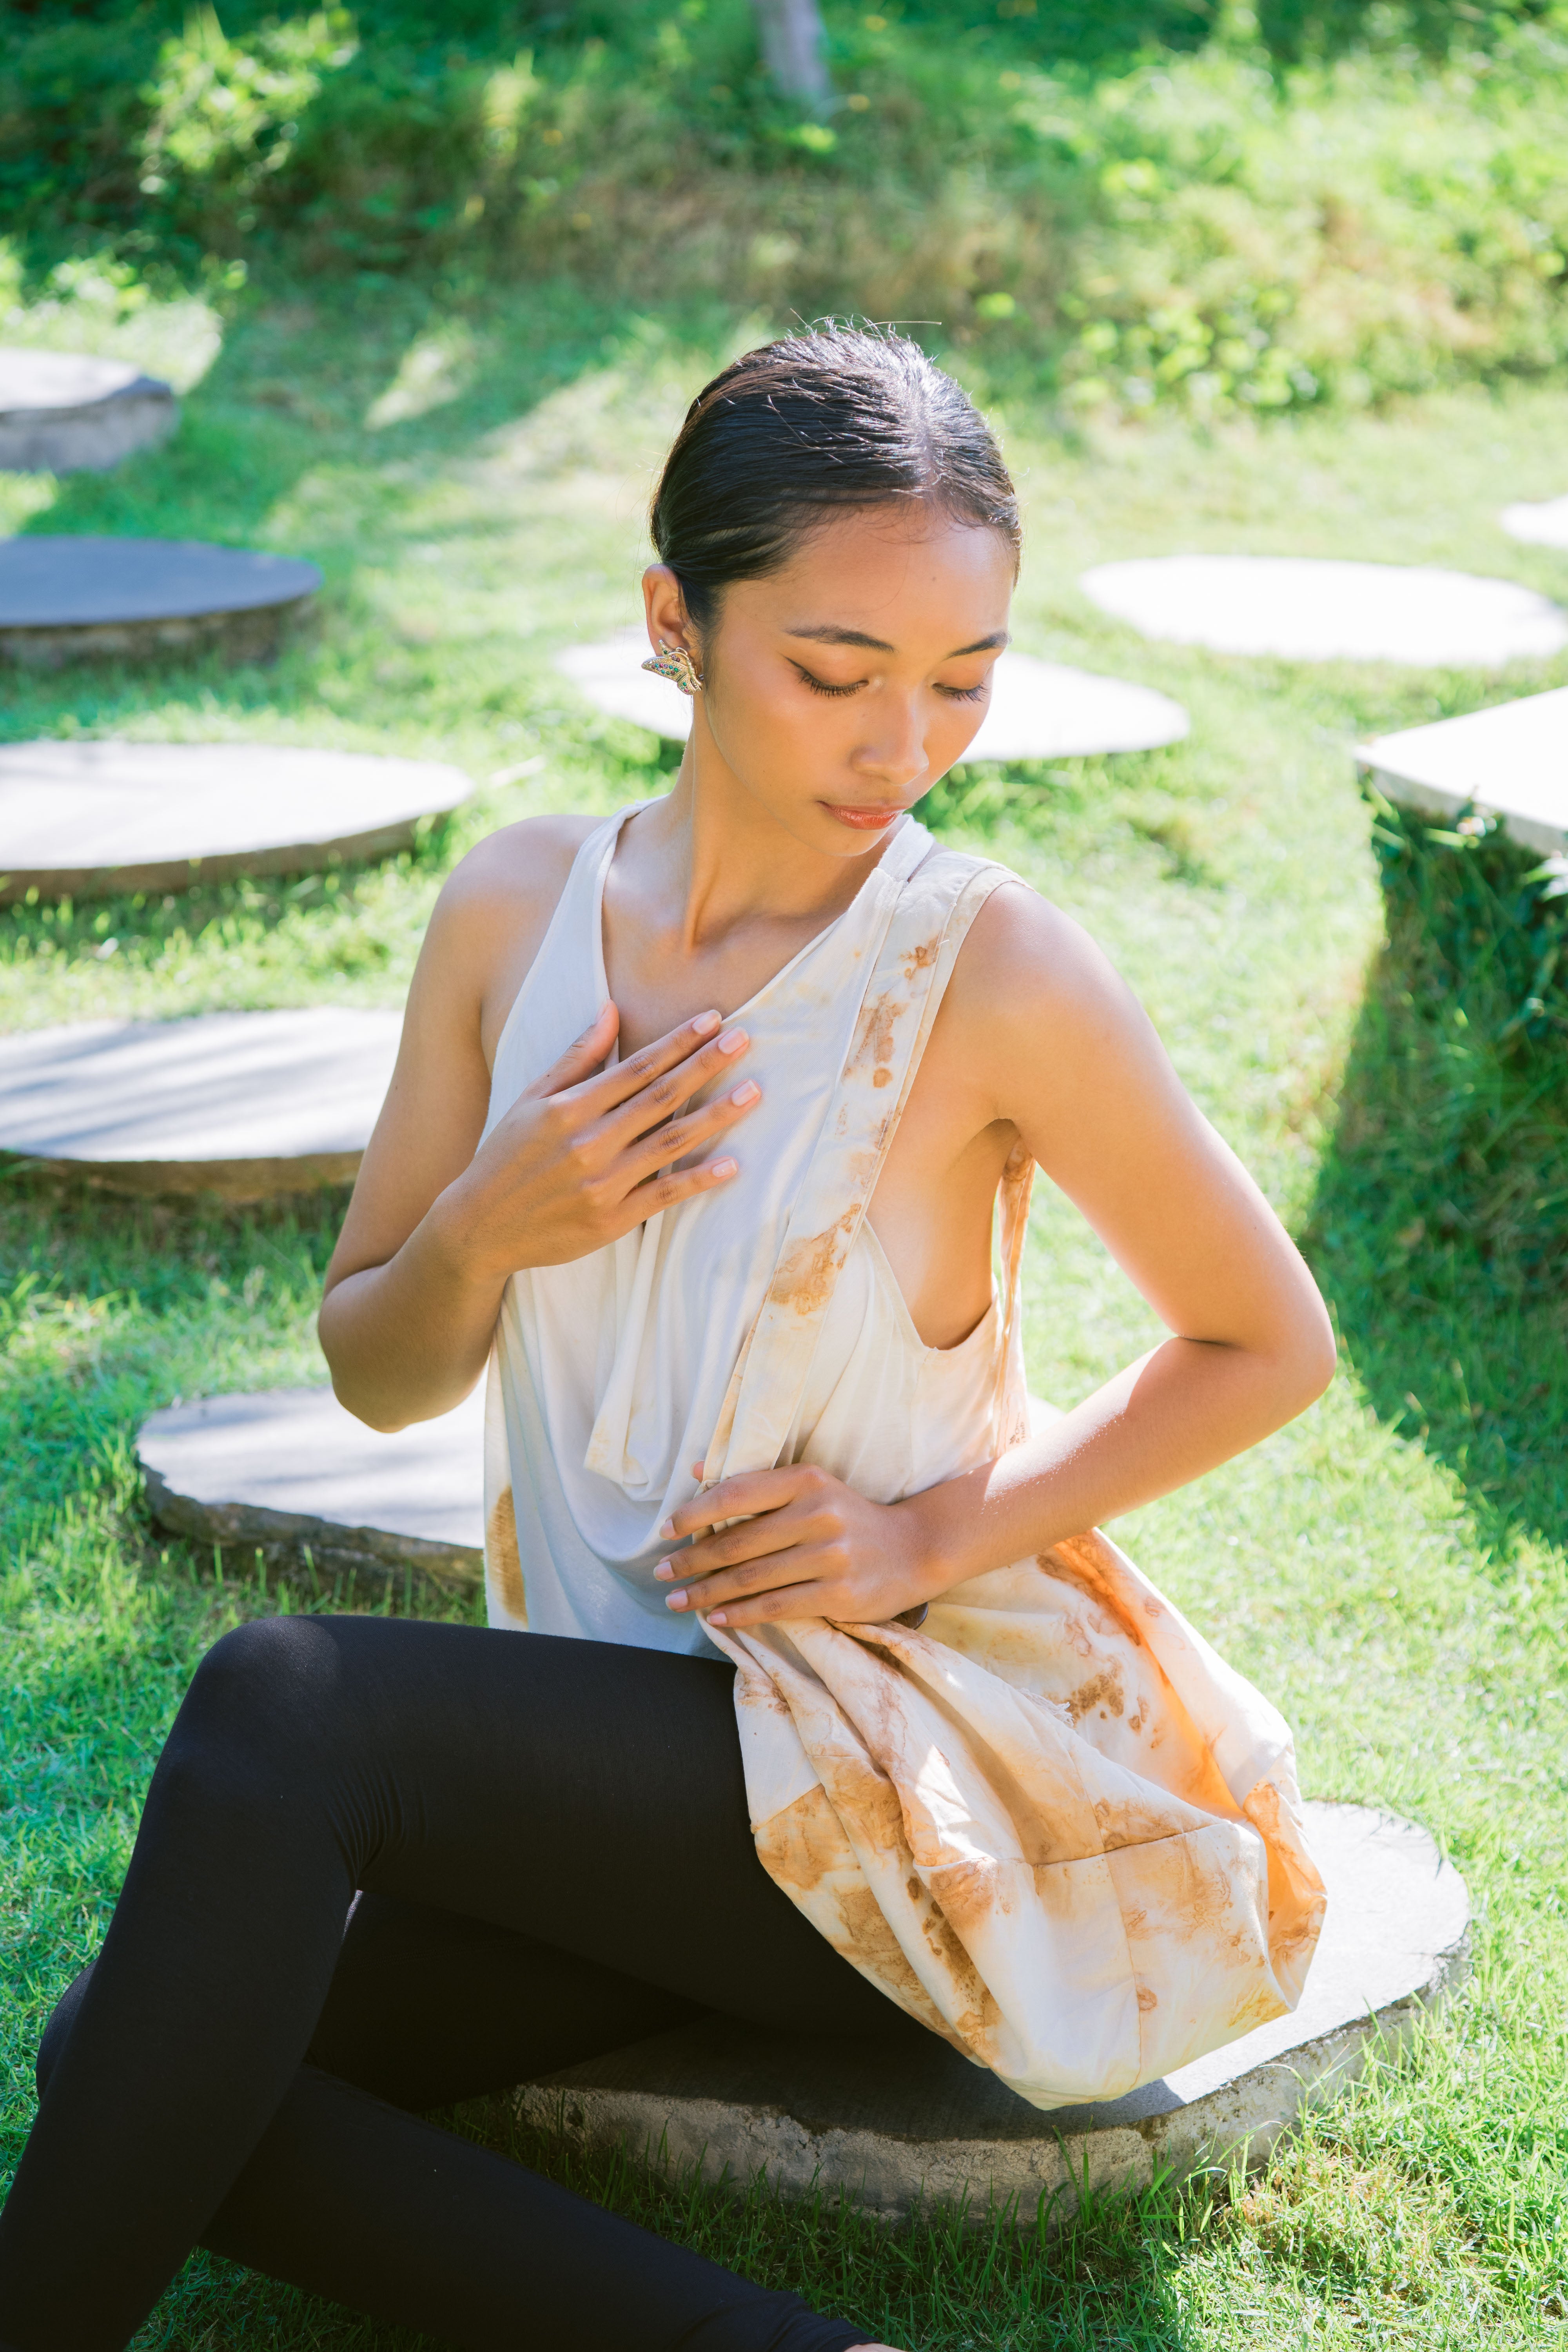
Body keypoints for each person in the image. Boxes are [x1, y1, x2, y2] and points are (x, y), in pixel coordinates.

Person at [0, 326, 1336, 2352]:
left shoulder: (988, 972)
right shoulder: (514, 914)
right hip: (596, 1781)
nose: (904, 746)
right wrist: (491, 1225)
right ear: (671, 623)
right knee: (125, 2051)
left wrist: (926, 1538)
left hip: (881, 1778)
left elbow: (1268, 1341)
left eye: (962, 683)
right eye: (836, 671)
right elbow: (382, 1364)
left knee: (293, 1709)